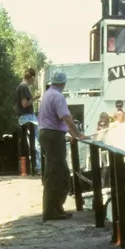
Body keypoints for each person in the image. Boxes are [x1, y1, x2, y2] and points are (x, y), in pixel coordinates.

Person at [37, 70, 86, 221]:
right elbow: (66, 118)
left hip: (46, 133)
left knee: (60, 172)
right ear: (64, 83)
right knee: (56, 174)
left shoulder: (47, 94)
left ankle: (57, 208)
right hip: (53, 136)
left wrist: (72, 133)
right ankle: (51, 211)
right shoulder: (58, 97)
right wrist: (78, 134)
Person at [15, 68, 38, 174]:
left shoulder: (19, 87)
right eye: (34, 78)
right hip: (27, 117)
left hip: (22, 117)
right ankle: (37, 167)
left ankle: (29, 168)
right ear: (31, 77)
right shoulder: (24, 87)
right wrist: (34, 98)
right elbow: (24, 104)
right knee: (36, 142)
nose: (34, 81)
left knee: (26, 143)